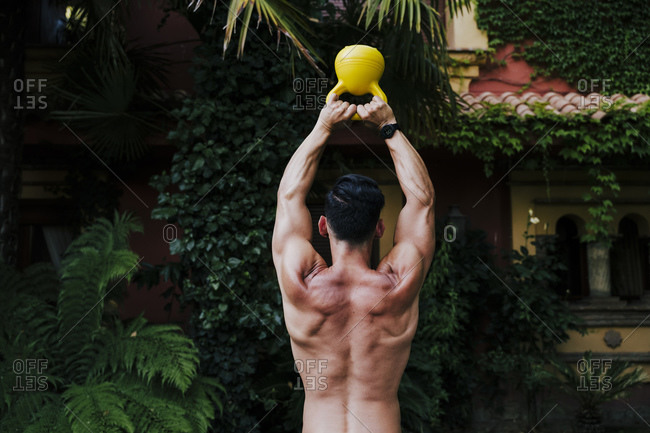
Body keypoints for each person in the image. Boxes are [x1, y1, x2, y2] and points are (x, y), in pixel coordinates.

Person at [272, 94, 436, 433]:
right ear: (379, 229)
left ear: (322, 226)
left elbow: (289, 196)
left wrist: (324, 124)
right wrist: (388, 126)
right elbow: (422, 201)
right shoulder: (399, 284)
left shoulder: (299, 280)